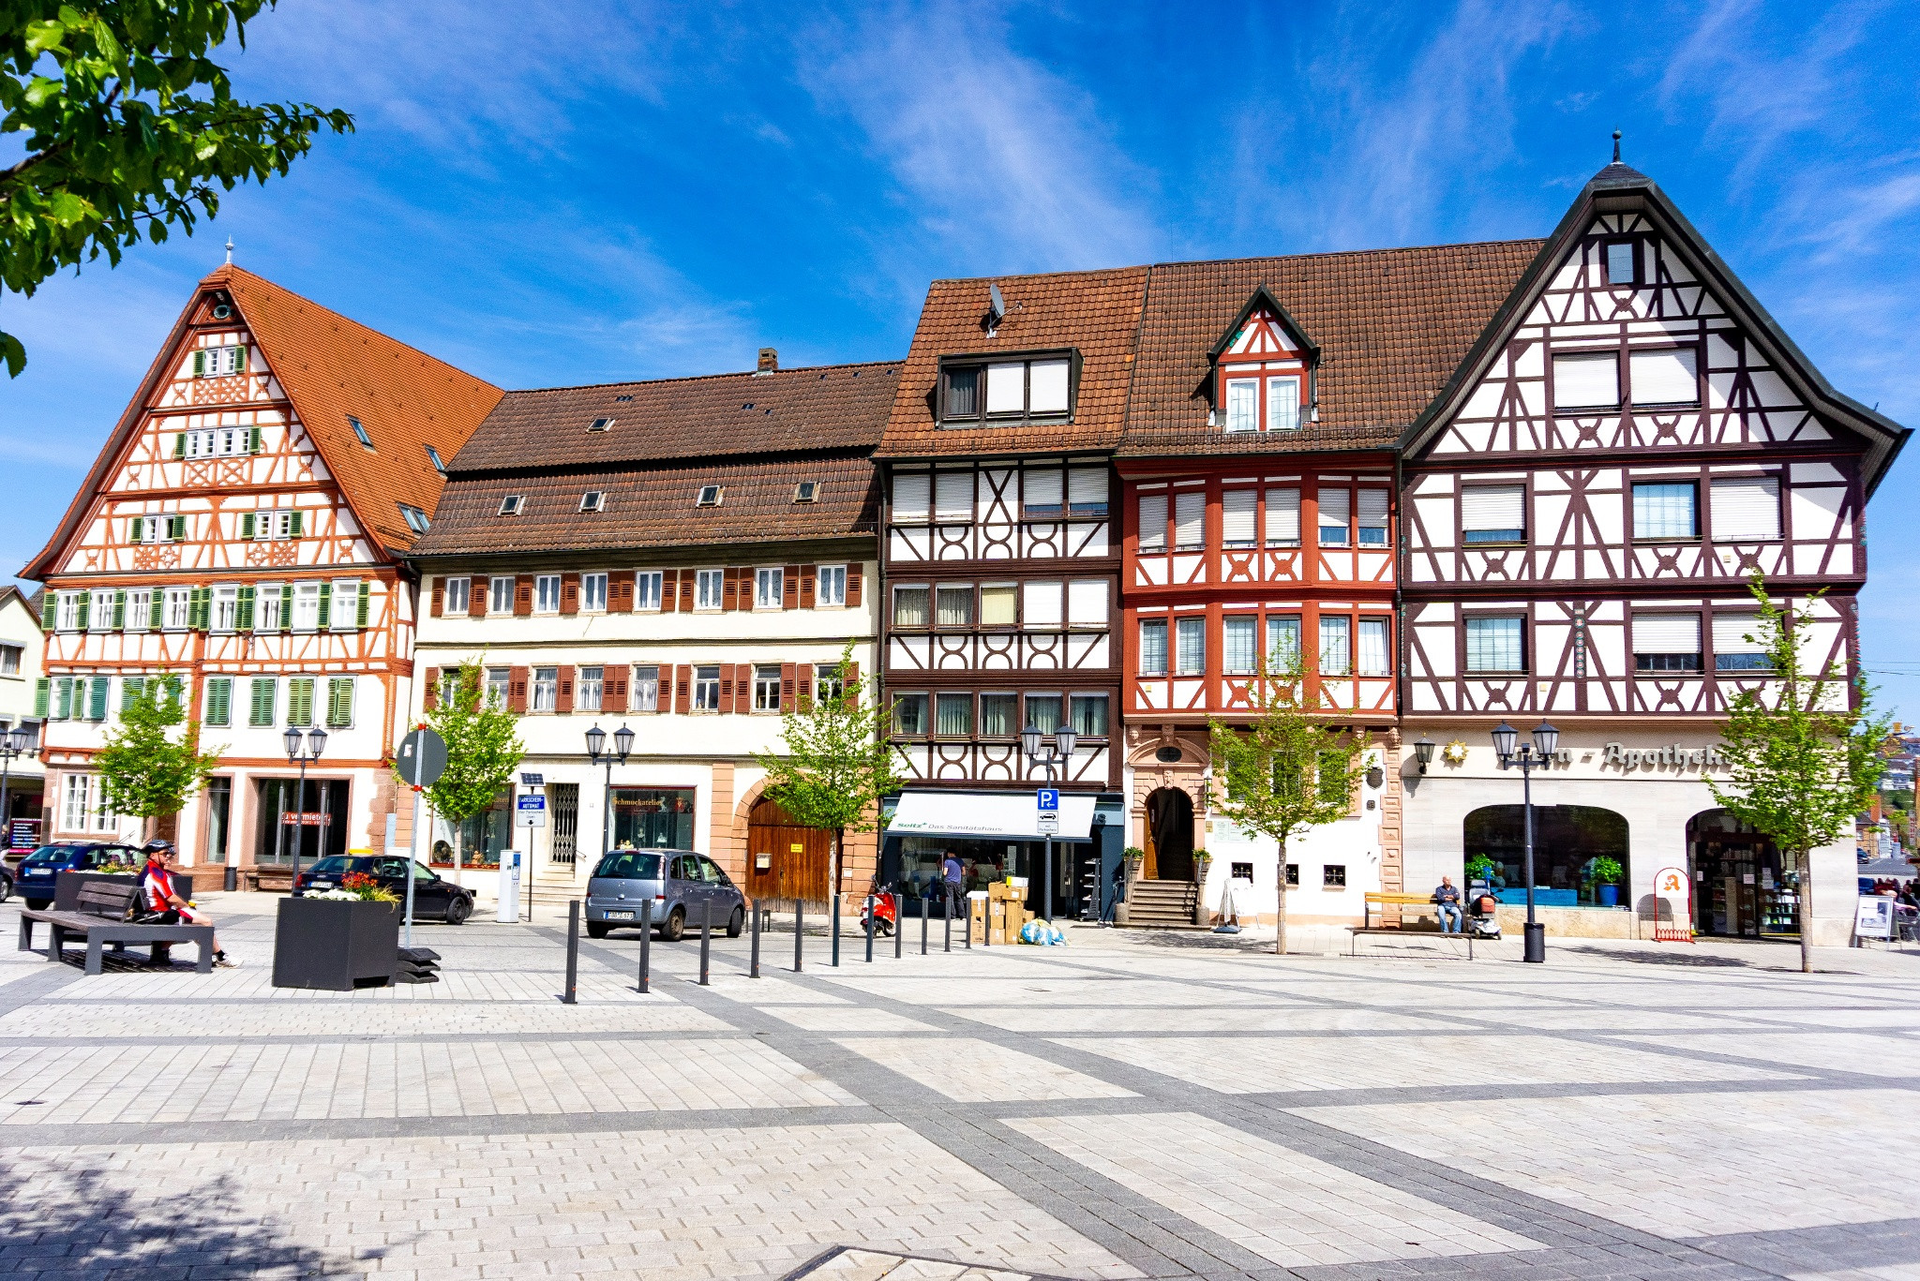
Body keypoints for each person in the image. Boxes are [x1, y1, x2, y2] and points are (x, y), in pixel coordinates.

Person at [137, 840, 234, 967]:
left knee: (192, 921)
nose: (168, 856)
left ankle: (162, 954)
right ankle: (220, 956)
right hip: (159, 915)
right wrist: (187, 907)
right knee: (206, 922)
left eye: (169, 854)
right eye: (164, 854)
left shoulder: (150, 869)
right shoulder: (156, 873)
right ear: (153, 855)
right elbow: (171, 898)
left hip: (154, 913)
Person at [941, 852, 965, 918]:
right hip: (957, 882)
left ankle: (952, 915)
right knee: (959, 898)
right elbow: (964, 873)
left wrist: (943, 870)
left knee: (950, 898)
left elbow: (945, 873)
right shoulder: (960, 860)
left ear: (950, 853)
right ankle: (962, 915)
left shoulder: (947, 861)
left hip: (949, 882)